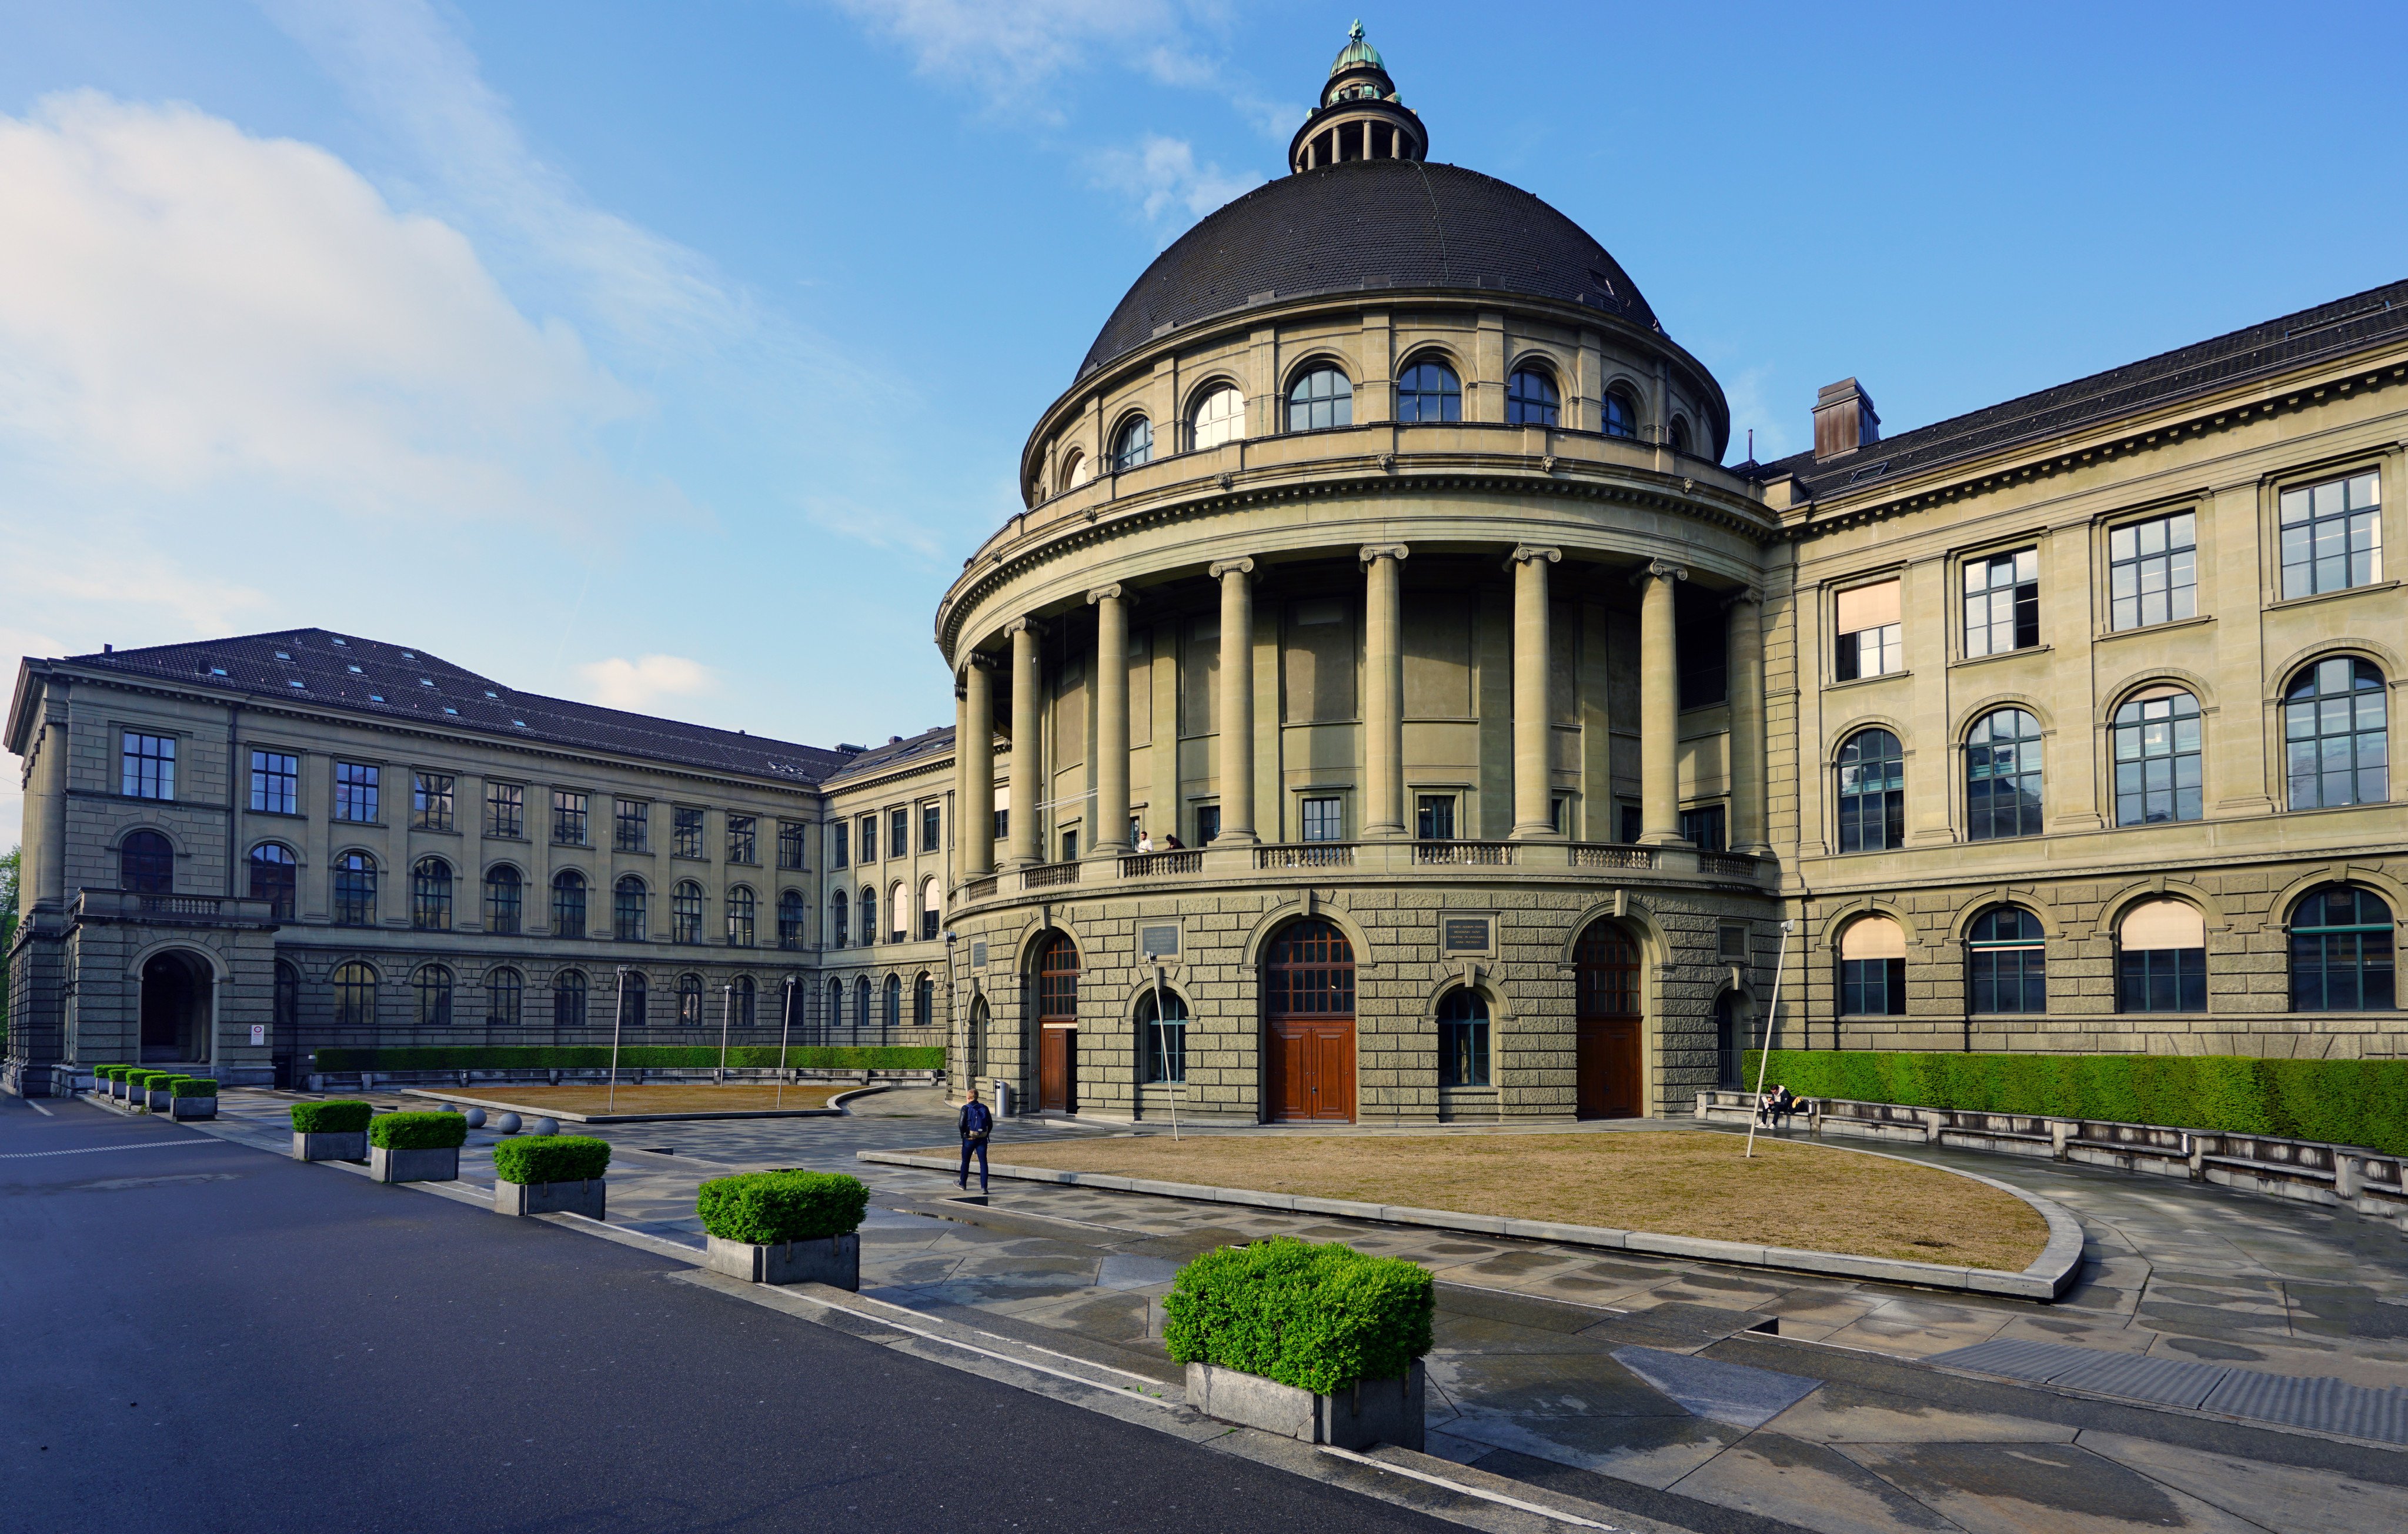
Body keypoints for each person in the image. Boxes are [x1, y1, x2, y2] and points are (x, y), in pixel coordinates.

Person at [957, 1085, 994, 1192]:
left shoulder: (965, 1108)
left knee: (965, 1162)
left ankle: (963, 1184)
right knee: (983, 1163)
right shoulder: (984, 1108)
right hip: (982, 1139)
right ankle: (984, 1188)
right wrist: (986, 1134)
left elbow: (961, 1124)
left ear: (968, 1098)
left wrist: (963, 1134)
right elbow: (990, 1124)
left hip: (969, 1139)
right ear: (977, 1097)